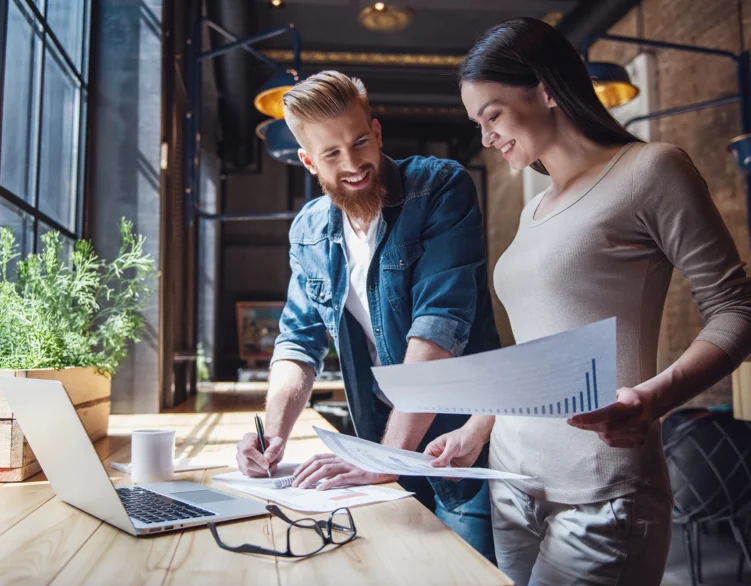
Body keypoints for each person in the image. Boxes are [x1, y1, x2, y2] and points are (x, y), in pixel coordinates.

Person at [424, 16, 751, 586]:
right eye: (477, 123)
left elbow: (736, 310)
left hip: (602, 493)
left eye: (492, 115)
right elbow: (539, 353)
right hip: (512, 482)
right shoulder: (533, 210)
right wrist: (478, 428)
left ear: (547, 89)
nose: (485, 137)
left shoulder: (652, 170)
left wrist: (653, 398)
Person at [234, 70, 501, 561]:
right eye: (332, 154)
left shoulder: (439, 188)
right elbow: (297, 343)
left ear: (377, 133)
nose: (354, 164)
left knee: (467, 572)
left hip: (460, 446)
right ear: (308, 161)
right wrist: (271, 436)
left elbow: (438, 328)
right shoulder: (309, 231)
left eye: (359, 142)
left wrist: (387, 458)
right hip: (381, 433)